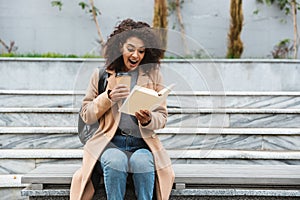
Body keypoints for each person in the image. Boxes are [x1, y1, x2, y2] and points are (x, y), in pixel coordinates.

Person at [70, 18, 174, 200]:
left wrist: (148, 119)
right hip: (110, 144)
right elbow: (86, 115)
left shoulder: (153, 75)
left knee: (142, 162)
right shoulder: (101, 75)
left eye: (141, 51)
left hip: (142, 144)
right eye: (131, 49)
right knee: (115, 160)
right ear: (120, 47)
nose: (136, 55)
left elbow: (162, 117)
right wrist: (108, 97)